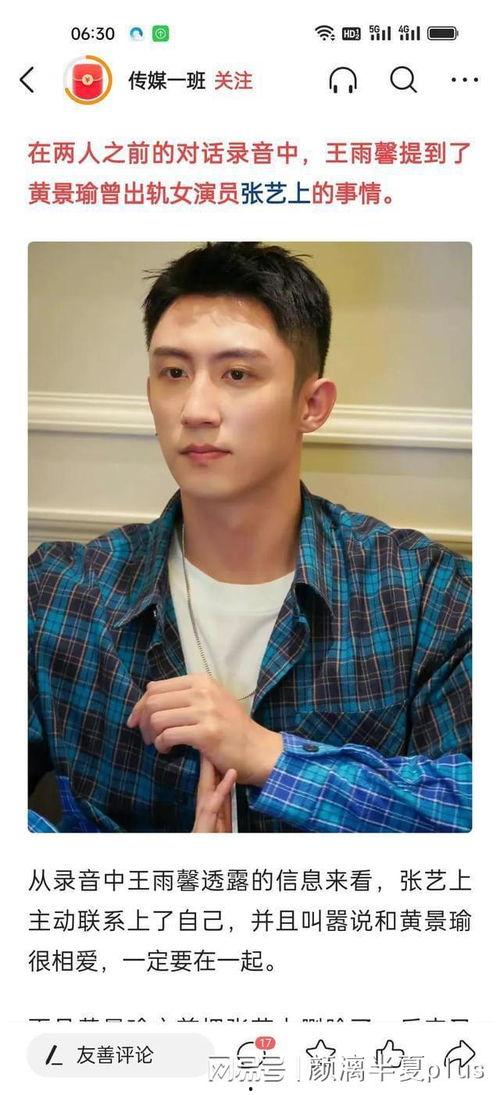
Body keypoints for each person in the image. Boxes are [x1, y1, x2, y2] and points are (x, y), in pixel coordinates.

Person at [28, 242, 471, 833]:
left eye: (237, 374)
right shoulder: (58, 593)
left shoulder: (426, 597)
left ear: (311, 405)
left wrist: (271, 758)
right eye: (173, 373)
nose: (196, 409)